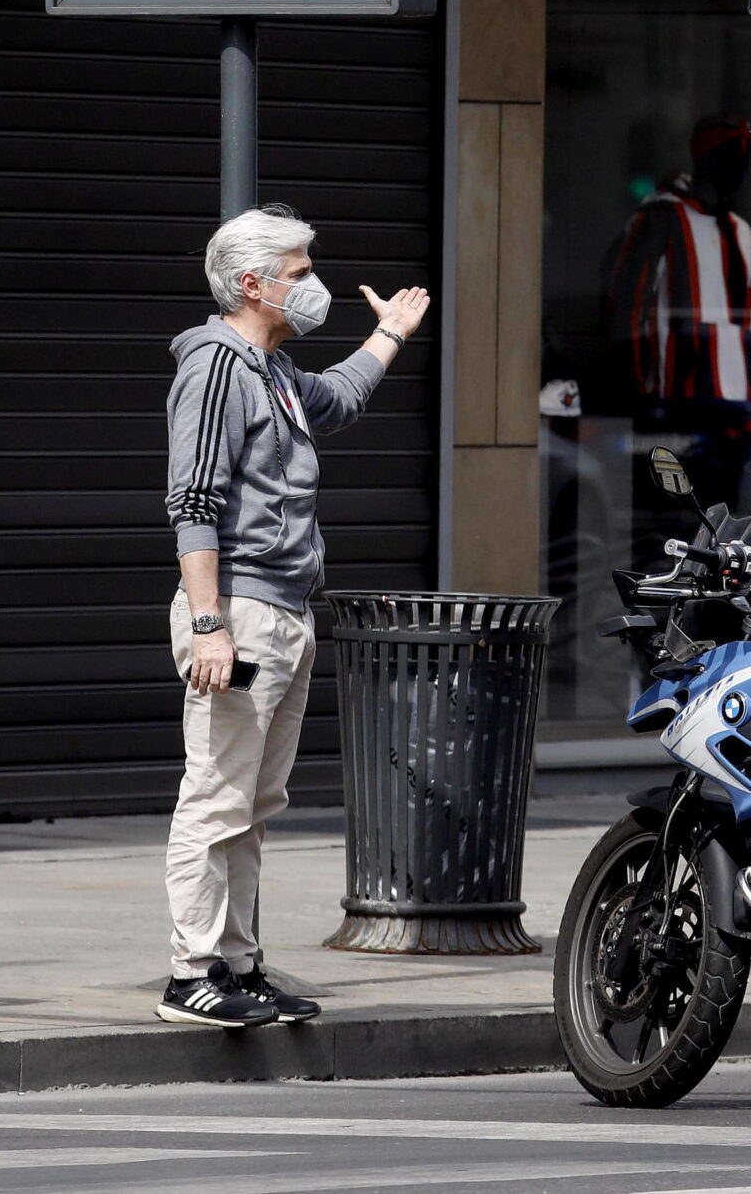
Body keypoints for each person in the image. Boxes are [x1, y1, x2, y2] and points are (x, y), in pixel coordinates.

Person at [160, 204, 430, 1027]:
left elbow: (339, 401)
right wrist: (209, 623)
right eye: (302, 271)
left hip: (284, 609)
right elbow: (192, 500)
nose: (314, 284)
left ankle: (237, 962)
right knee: (215, 795)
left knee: (254, 800)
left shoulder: (272, 371)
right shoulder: (215, 367)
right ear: (253, 282)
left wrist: (390, 334)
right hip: (237, 610)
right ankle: (190, 973)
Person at [603, 114, 751, 529]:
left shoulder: (740, 230)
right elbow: (629, 304)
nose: (738, 168)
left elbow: (745, 321)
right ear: (705, 158)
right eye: (728, 155)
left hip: (732, 406)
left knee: (725, 529)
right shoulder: (661, 218)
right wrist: (640, 388)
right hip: (676, 401)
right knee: (670, 524)